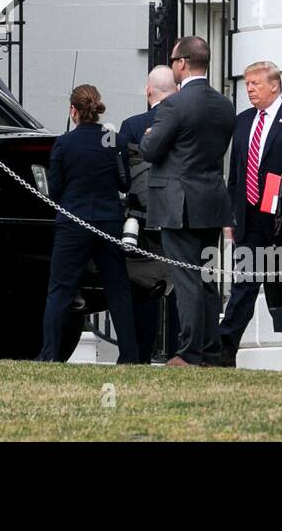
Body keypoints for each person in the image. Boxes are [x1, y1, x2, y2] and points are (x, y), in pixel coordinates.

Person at [217, 61, 282, 367]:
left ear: (274, 86)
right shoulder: (243, 121)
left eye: (255, 83)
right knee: (243, 287)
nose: (249, 89)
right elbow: (236, 172)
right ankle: (224, 352)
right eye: (247, 84)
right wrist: (229, 216)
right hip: (248, 218)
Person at [139, 36, 236, 367]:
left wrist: (149, 136)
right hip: (211, 201)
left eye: (174, 61)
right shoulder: (225, 105)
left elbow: (150, 150)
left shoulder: (174, 106)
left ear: (182, 63)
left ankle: (189, 352)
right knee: (208, 278)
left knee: (187, 279)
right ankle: (209, 351)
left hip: (179, 204)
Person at [38, 84, 140, 364]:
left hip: (73, 221)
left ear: (73, 111)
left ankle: (50, 354)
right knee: (118, 289)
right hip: (108, 221)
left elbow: (55, 190)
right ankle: (130, 354)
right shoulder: (113, 140)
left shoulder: (64, 143)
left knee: (60, 288)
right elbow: (124, 183)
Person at [118, 65, 181, 362]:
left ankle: (140, 352)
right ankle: (180, 351)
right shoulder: (186, 121)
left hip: (141, 217)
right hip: (179, 213)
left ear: (148, 90)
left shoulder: (131, 125)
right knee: (182, 286)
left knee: (142, 288)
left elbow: (122, 174)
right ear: (177, 90)